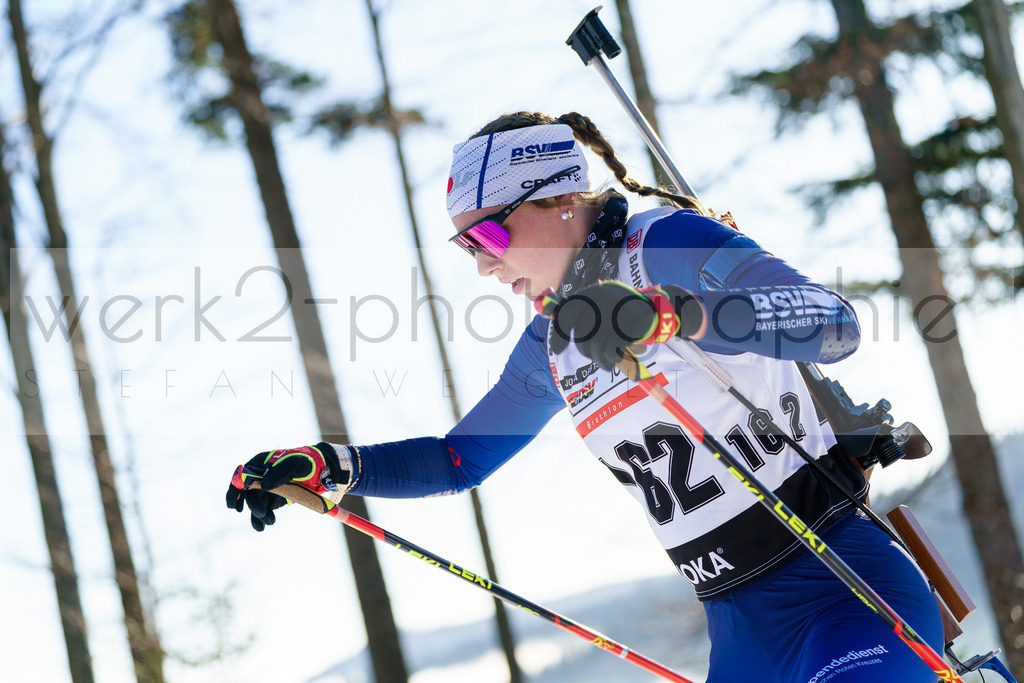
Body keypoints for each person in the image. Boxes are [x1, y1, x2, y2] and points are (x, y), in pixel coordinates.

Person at [226, 111, 944, 682]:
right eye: (466, 247)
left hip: (845, 593)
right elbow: (457, 460)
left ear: (562, 198)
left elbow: (832, 323)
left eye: (488, 232)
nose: (483, 264)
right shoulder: (552, 344)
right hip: (739, 632)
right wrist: (332, 465)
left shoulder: (662, 243)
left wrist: (674, 313)